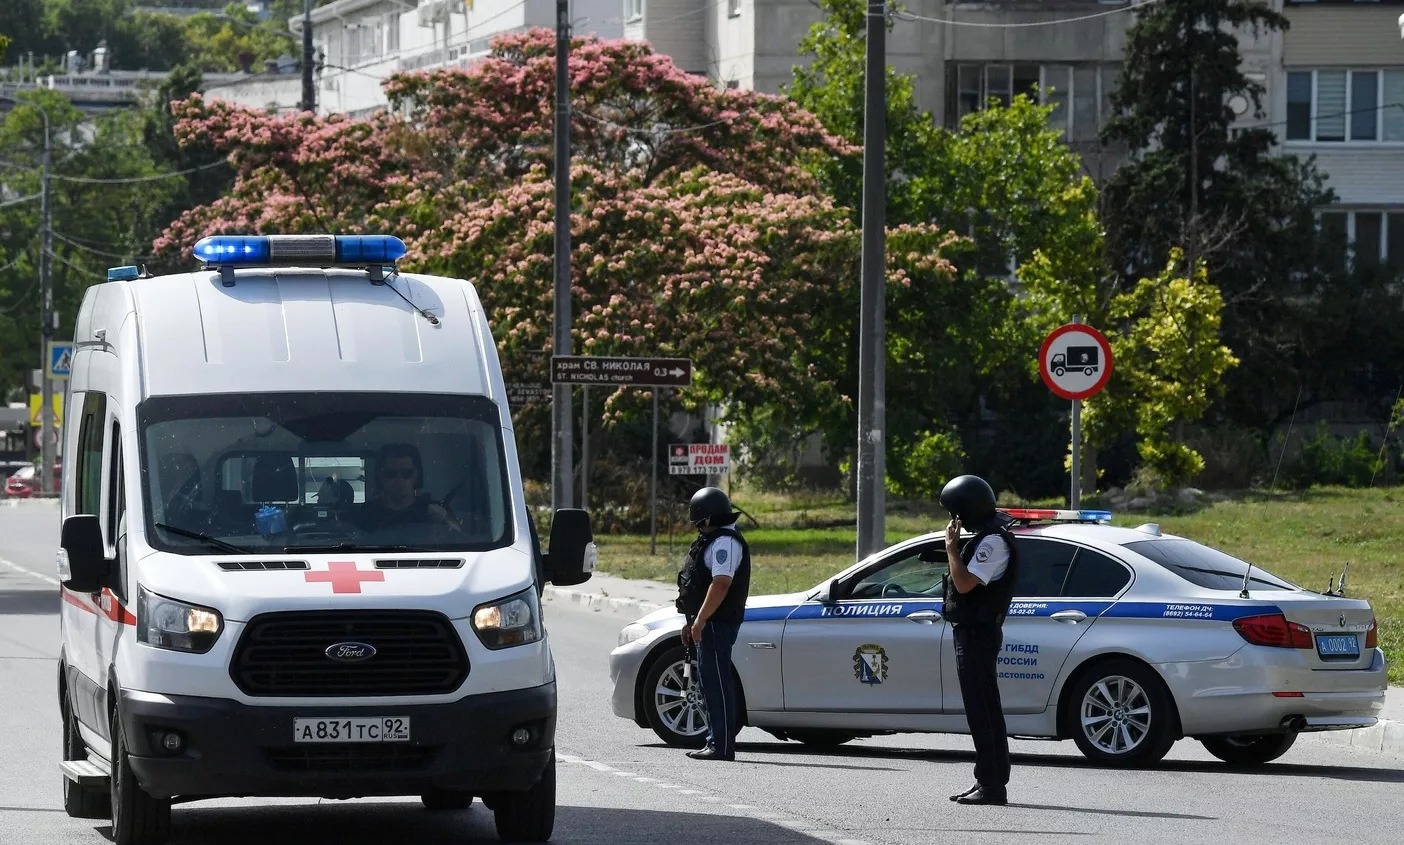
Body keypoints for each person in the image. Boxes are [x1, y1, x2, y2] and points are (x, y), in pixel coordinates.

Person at [940, 474, 1020, 806]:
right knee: (981, 708)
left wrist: (951, 549)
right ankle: (986, 781)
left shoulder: (993, 542)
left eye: (954, 512)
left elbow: (964, 584)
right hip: (972, 631)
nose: (952, 520)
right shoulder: (987, 539)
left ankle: (991, 785)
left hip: (978, 632)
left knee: (983, 709)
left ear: (966, 510)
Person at [674, 486, 751, 762]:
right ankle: (716, 740)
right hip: (708, 622)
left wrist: (702, 620)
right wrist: (693, 620)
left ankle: (721, 745)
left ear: (706, 519)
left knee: (716, 683)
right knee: (709, 682)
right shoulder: (715, 539)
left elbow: (721, 585)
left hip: (718, 623)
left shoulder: (725, 543)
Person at [356, 444, 460, 533]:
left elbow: (460, 540)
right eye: (390, 473)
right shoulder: (363, 515)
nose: (399, 479)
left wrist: (444, 521)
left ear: (416, 475)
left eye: (406, 473)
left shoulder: (435, 511)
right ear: (380, 476)